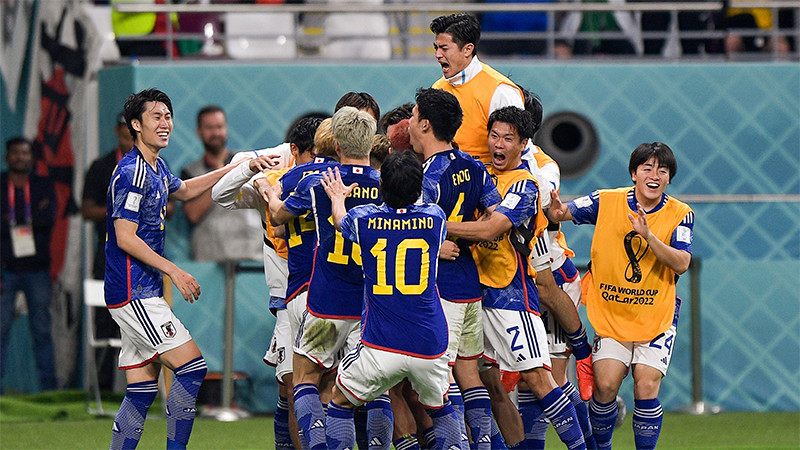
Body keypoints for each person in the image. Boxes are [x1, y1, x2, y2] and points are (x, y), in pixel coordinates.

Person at [104, 88, 240, 449]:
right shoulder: (132, 172)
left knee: (142, 391)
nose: (165, 124)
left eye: (168, 116)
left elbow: (183, 190)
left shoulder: (157, 166)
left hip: (138, 292)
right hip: (135, 293)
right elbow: (124, 237)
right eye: (156, 117)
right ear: (136, 125)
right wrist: (174, 271)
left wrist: (232, 169)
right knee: (192, 368)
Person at [445, 106, 586, 449]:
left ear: (523, 144)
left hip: (511, 297)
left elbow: (493, 228)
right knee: (485, 382)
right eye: (494, 135)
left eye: (508, 138)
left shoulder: (526, 187)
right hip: (474, 295)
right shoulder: (479, 174)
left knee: (539, 379)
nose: (499, 144)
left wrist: (435, 226)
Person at [546, 142, 694, 450]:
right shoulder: (606, 200)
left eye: (662, 171)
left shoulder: (681, 214)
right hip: (612, 314)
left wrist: (649, 236)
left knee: (646, 382)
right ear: (634, 173)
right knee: (606, 384)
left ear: (669, 179)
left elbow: (682, 261)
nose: (654, 175)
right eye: (647, 168)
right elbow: (563, 213)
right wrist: (556, 210)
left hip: (657, 316)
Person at [319, 151, 467, 450]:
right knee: (442, 409)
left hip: (380, 344)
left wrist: (338, 196)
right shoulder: (435, 218)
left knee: (340, 401)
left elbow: (339, 221)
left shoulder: (364, 220)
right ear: (418, 187)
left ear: (382, 186)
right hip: (428, 343)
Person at [266, 107, 385, 450]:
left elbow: (277, 216)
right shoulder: (384, 183)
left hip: (326, 298)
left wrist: (270, 191)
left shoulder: (317, 180)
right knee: (372, 388)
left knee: (304, 378)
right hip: (369, 303)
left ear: (336, 143)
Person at [211, 116, 325, 450]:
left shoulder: (333, 174)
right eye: (314, 154)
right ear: (294, 150)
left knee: (320, 391)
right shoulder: (276, 167)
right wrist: (252, 171)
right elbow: (221, 191)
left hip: (329, 293)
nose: (320, 163)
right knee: (294, 387)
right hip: (289, 298)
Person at [410, 88, 505, 449]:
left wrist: (436, 241)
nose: (410, 124)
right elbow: (495, 215)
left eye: (414, 116)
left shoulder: (427, 176)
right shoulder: (475, 166)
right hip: (470, 283)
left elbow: (415, 226)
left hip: (441, 288)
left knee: (439, 377)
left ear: (426, 125)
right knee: (469, 372)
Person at [81, 112, 135, 392]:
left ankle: (139, 390)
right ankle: (101, 390)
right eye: (124, 128)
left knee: (139, 328)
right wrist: (119, 209)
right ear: (117, 131)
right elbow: (86, 210)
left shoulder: (154, 164)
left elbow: (171, 205)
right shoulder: (102, 166)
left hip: (141, 260)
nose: (128, 133)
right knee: (104, 324)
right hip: (108, 257)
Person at [1, 137, 58, 392]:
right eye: (15, 153)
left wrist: (12, 221)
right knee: (1, 330)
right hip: (5, 269)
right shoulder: (1, 185)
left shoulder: (43, 185)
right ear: (7, 157)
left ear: (31, 157)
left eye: (25, 153)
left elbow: (48, 218)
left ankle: (49, 390)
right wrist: (30, 218)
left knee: (42, 331)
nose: (20, 157)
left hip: (37, 269)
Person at [429, 13, 524, 166]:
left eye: (444, 48)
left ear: (467, 50)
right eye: (436, 48)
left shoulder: (500, 91)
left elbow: (519, 150)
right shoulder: (437, 89)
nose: (437, 55)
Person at [180, 105, 263, 262]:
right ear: (199, 132)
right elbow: (193, 215)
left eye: (219, 127)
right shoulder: (190, 172)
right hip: (211, 257)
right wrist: (221, 174)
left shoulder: (247, 162)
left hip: (252, 256)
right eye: (209, 128)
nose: (216, 133)